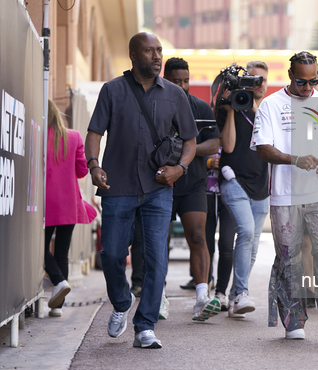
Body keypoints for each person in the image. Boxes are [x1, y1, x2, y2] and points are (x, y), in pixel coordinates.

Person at [86, 32, 197, 349]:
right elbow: (94, 133)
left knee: (155, 258)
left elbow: (190, 140)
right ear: (133, 55)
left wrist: (181, 167)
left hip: (158, 187)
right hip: (117, 185)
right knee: (112, 254)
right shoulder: (112, 91)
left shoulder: (175, 94)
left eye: (159, 50)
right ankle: (121, 302)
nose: (157, 56)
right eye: (149, 51)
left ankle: (145, 324)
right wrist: (94, 165)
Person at [252, 51, 318, 341]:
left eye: (314, 81)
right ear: (289, 76)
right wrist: (294, 159)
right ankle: (293, 317)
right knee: (289, 257)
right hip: (285, 195)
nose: (308, 88)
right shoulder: (271, 105)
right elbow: (262, 148)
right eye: (302, 82)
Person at [163, 57, 222, 321]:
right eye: (177, 81)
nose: (183, 86)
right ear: (165, 79)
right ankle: (158, 297)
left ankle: (201, 297)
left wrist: (184, 153)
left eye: (186, 81)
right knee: (158, 242)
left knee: (198, 236)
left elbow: (214, 144)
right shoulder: (155, 106)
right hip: (160, 184)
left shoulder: (200, 107)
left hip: (193, 182)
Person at [216, 60, 270, 318]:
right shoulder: (233, 105)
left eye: (263, 80)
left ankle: (237, 297)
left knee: (254, 244)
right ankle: (240, 293)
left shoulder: (270, 110)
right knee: (246, 232)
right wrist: (230, 111)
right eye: (254, 79)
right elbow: (227, 147)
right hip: (235, 180)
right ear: (245, 80)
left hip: (262, 185)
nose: (259, 84)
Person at [45, 99, 97, 317]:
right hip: (69, 202)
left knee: (40, 247)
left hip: (44, 202)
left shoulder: (37, 135)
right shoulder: (74, 136)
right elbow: (82, 170)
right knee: (62, 252)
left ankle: (58, 281)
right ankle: (58, 307)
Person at [204, 147, 236, 311]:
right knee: (205, 245)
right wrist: (209, 162)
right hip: (204, 194)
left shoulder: (234, 127)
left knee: (226, 243)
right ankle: (204, 293)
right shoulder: (204, 125)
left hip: (229, 194)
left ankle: (221, 293)